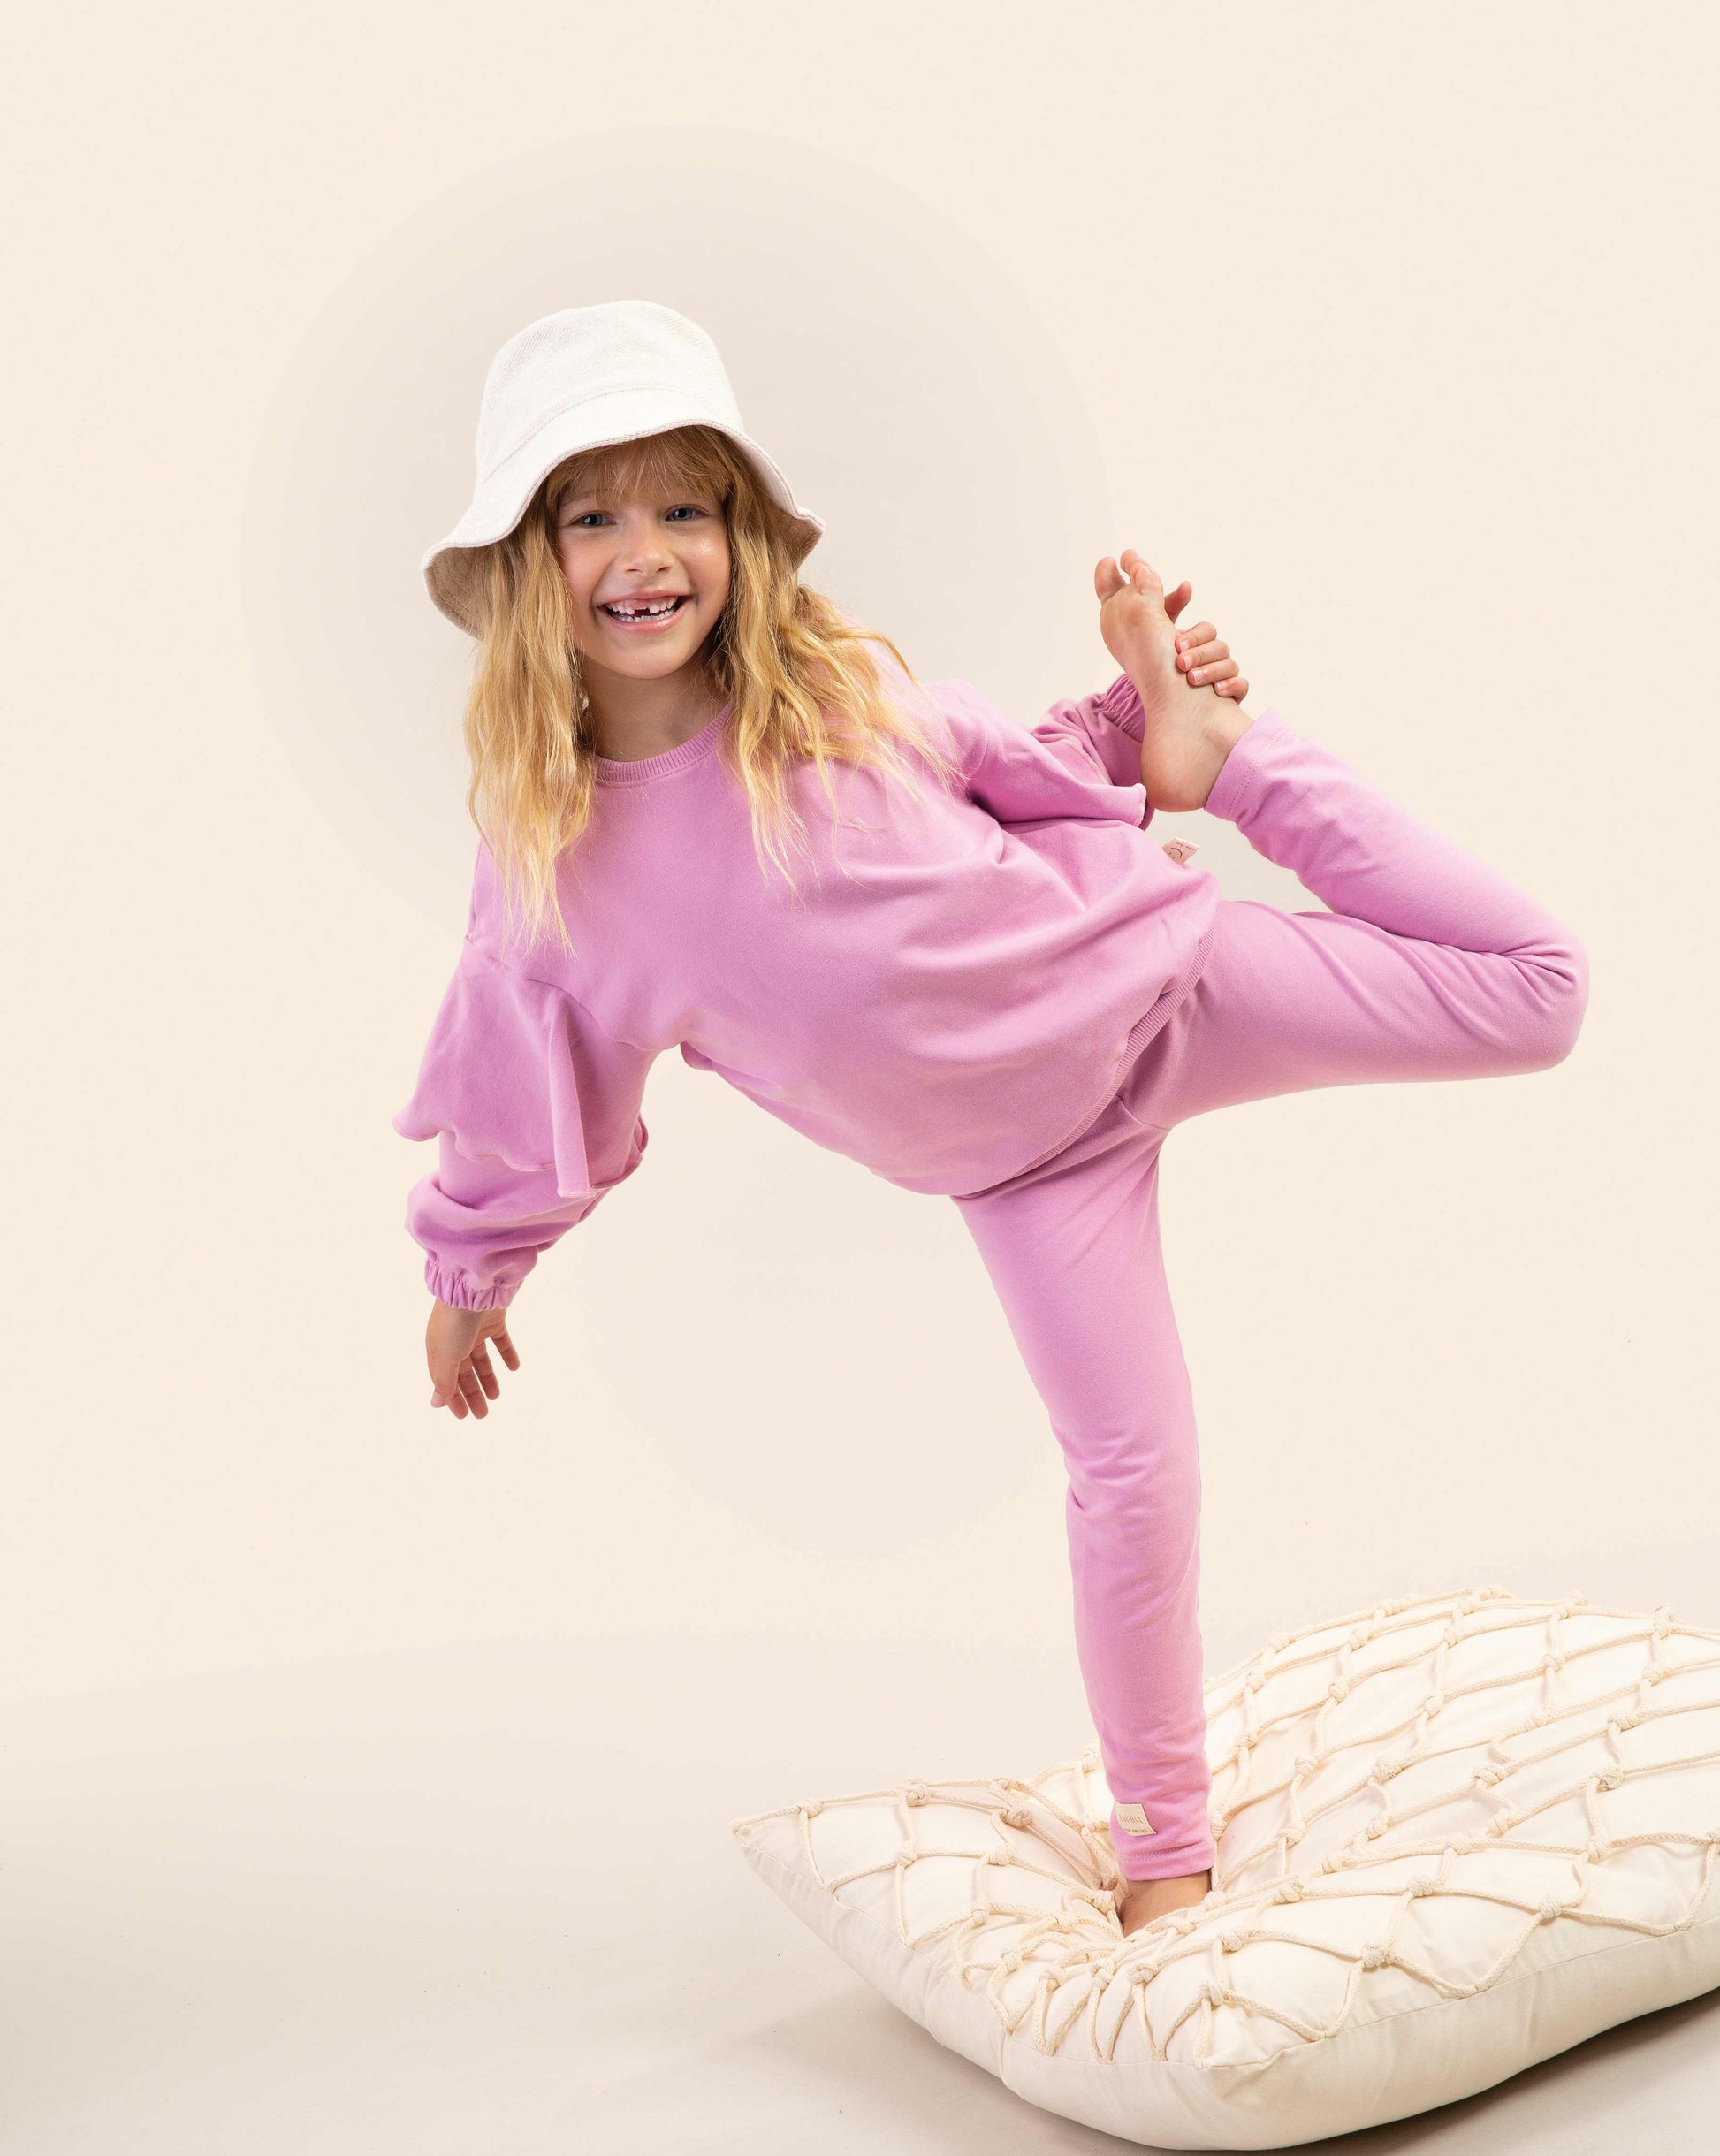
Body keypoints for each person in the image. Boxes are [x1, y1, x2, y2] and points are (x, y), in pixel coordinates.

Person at [394, 301, 1588, 1939]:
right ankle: (1163, 1852)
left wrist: (1150, 733)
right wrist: (470, 1276)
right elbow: (517, 1088)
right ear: (527, 562)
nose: (644, 552)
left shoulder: (838, 693)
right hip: (1027, 1173)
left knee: (1538, 990)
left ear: (741, 536)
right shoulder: (553, 868)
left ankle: (1231, 758)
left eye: (683, 506)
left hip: (1161, 984)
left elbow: (1000, 774)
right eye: (590, 516)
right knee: (1133, 1473)